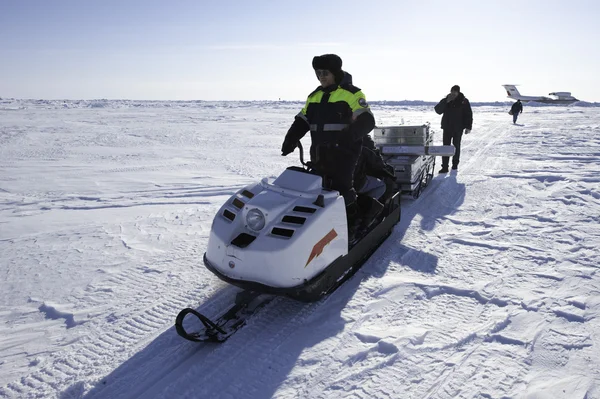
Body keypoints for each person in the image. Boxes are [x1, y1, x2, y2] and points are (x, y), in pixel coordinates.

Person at [280, 54, 375, 241]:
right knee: (318, 190)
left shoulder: (351, 94)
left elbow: (367, 120)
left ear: (335, 72)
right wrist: (291, 138)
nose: (322, 76)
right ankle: (320, 229)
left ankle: (353, 226)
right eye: (318, 72)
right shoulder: (314, 97)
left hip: (345, 153)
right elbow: (302, 120)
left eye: (326, 72)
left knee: (342, 190)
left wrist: (347, 137)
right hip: (319, 153)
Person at [434, 85, 473, 173]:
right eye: (452, 92)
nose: (453, 94)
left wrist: (468, 127)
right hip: (447, 128)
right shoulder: (446, 100)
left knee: (456, 146)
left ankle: (455, 165)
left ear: (458, 92)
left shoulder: (464, 101)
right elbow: (438, 110)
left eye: (455, 92)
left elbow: (468, 114)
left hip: (458, 128)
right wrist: (446, 102)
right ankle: (444, 167)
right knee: (445, 147)